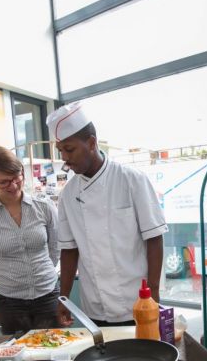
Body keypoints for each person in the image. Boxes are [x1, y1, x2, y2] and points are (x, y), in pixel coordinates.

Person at [49, 102, 168, 327]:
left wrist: (153, 292)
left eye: (69, 149)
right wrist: (63, 297)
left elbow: (154, 238)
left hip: (138, 300)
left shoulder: (131, 179)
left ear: (91, 143)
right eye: (60, 151)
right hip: (95, 305)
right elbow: (69, 249)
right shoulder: (68, 195)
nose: (64, 157)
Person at [0, 146, 60, 335]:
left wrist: (41, 272)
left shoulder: (44, 208)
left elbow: (55, 248)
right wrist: (12, 278)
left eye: (17, 177)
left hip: (48, 295)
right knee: (16, 357)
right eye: (4, 182)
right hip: (9, 303)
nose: (14, 186)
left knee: (54, 352)